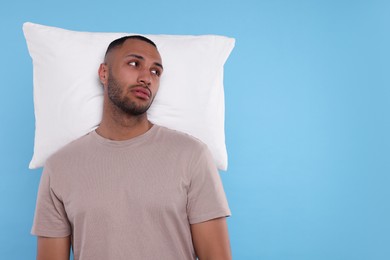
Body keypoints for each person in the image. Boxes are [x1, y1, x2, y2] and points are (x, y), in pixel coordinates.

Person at [31, 35, 232, 260]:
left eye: (156, 71)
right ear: (104, 73)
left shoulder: (192, 156)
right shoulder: (60, 166)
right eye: (134, 64)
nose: (147, 77)